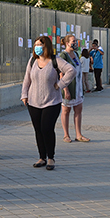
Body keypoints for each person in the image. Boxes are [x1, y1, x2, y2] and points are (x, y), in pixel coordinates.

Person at [21, 36, 75, 170]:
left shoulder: (55, 61)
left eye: (40, 44)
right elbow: (27, 79)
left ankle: (51, 157)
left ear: (47, 46)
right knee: (38, 130)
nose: (37, 47)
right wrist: (24, 95)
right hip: (33, 102)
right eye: (35, 45)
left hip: (51, 102)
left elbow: (71, 71)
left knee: (46, 128)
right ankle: (42, 157)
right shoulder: (33, 60)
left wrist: (60, 84)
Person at [60, 35, 89, 143]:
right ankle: (66, 135)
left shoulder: (76, 54)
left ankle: (78, 134)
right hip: (69, 87)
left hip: (78, 88)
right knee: (66, 110)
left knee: (78, 109)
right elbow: (61, 74)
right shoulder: (63, 56)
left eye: (76, 41)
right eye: (73, 41)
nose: (75, 43)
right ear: (67, 43)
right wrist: (65, 90)